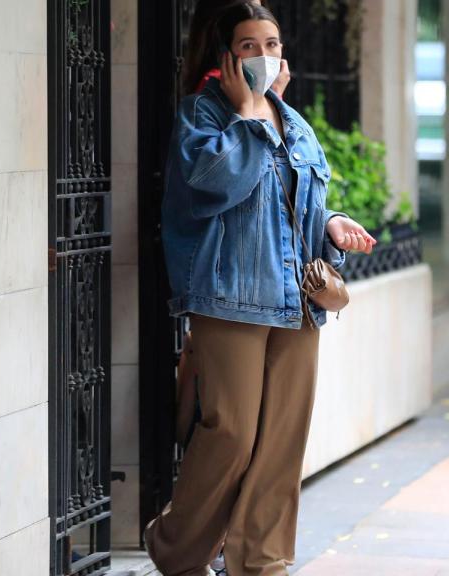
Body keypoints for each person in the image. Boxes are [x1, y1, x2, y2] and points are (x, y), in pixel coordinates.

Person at [145, 3, 376, 575]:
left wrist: (329, 225)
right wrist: (248, 114)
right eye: (250, 46)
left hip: (296, 302)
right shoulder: (203, 114)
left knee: (280, 444)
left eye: (272, 44)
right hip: (231, 298)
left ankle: (261, 562)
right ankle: (176, 549)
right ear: (226, 55)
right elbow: (210, 187)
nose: (264, 56)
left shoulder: (292, 121)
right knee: (232, 436)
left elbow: (301, 203)